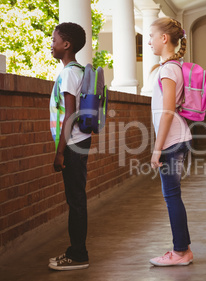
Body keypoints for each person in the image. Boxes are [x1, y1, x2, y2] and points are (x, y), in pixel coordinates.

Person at [148, 17, 193, 267]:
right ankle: (181, 249)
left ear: (164, 38)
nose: (150, 42)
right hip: (177, 138)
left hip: (172, 141)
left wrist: (157, 149)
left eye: (152, 37)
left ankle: (180, 252)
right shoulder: (173, 66)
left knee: (172, 196)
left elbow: (167, 112)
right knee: (173, 195)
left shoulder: (168, 69)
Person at [48, 22, 92, 271]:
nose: (51, 44)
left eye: (54, 40)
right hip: (80, 142)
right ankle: (76, 251)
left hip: (72, 145)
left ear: (67, 45)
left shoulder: (68, 74)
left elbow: (69, 114)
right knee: (77, 199)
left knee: (75, 201)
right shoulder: (79, 70)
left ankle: (78, 254)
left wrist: (59, 153)